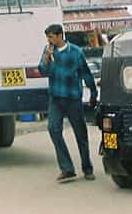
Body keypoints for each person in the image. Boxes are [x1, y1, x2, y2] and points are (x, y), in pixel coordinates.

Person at [38, 23, 98, 183]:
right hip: (55, 98)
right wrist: (46, 57)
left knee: (81, 134)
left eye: (51, 37)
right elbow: (43, 71)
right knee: (53, 129)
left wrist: (93, 92)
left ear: (59, 36)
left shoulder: (76, 52)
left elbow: (86, 72)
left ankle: (87, 168)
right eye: (47, 37)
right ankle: (67, 169)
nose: (49, 40)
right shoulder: (48, 51)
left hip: (72, 98)